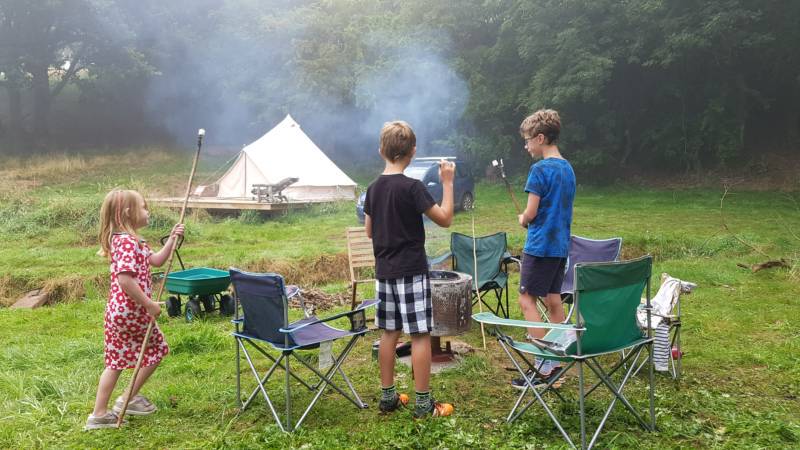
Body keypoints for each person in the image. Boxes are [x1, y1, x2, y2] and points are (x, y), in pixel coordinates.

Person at [363, 121, 456, 418]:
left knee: (390, 333)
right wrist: (448, 183)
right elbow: (445, 219)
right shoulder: (413, 187)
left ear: (381, 151)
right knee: (419, 335)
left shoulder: (373, 188)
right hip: (411, 271)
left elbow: (368, 231)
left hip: (384, 271)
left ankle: (388, 397)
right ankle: (423, 403)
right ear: (413, 152)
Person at [85, 189, 184, 429]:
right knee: (158, 349)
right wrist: (149, 304)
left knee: (115, 362)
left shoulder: (130, 240)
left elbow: (157, 261)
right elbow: (125, 279)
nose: (147, 211)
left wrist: (172, 238)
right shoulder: (128, 243)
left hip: (117, 312)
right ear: (128, 212)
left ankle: (99, 414)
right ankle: (128, 398)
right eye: (143, 207)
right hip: (132, 311)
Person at [512, 109, 576, 389]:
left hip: (539, 247)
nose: (526, 146)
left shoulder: (539, 170)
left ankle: (542, 367)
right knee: (553, 302)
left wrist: (523, 219)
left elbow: (532, 212)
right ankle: (558, 362)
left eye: (527, 140)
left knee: (526, 300)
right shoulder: (568, 168)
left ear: (540, 138)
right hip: (560, 248)